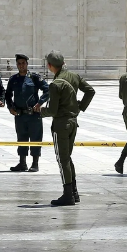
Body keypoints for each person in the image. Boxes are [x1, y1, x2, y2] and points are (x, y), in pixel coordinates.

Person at [36, 50, 95, 206]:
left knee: (62, 160)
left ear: (49, 66)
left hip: (61, 125)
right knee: (67, 158)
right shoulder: (74, 77)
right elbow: (90, 91)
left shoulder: (56, 84)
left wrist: (39, 112)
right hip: (73, 123)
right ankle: (74, 193)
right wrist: (80, 106)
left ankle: (68, 195)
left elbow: (53, 110)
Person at [5, 54, 49, 172]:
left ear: (27, 64)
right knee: (21, 138)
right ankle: (22, 163)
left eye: (23, 63)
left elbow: (47, 90)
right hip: (20, 115)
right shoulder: (13, 79)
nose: (21, 65)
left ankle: (35, 163)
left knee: (35, 138)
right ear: (16, 65)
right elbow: (8, 95)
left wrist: (40, 103)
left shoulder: (34, 78)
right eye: (19, 63)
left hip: (33, 114)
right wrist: (10, 107)